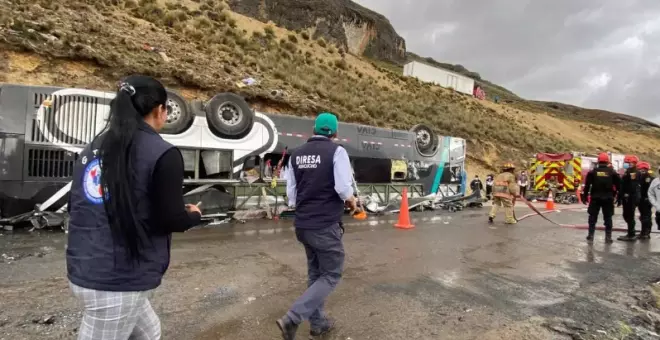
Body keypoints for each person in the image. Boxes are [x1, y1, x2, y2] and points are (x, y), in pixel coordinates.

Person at [66, 76, 202, 339]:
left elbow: (78, 204)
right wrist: (193, 215)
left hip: (85, 265)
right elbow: (171, 219)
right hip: (119, 280)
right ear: (159, 110)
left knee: (148, 332)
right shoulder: (162, 152)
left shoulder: (92, 148)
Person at [277, 112, 357, 340]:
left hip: (303, 224)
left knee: (316, 274)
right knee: (331, 273)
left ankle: (318, 323)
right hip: (324, 225)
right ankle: (292, 318)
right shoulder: (336, 151)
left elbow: (291, 195)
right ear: (334, 132)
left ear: (313, 130)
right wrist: (352, 201)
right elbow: (343, 188)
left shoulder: (297, 154)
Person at [581, 153, 620, 243]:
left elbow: (587, 186)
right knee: (608, 218)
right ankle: (608, 237)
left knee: (592, 218)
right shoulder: (612, 172)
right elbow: (619, 186)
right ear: (607, 161)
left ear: (598, 161)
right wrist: (619, 198)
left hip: (595, 198)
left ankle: (591, 236)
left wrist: (584, 197)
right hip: (608, 198)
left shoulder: (592, 172)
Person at [617, 155, 642, 242]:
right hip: (628, 196)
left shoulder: (634, 172)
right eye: (626, 163)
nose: (626, 164)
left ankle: (631, 234)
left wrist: (628, 193)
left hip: (631, 197)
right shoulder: (629, 171)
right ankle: (630, 232)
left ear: (633, 163)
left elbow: (633, 185)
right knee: (626, 214)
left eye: (628, 163)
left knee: (629, 215)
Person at [636, 161, 653, 240]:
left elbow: (646, 189)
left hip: (646, 200)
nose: (640, 171)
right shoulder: (644, 177)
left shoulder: (647, 178)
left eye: (641, 170)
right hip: (643, 199)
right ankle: (644, 232)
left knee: (646, 217)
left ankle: (645, 233)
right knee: (644, 216)